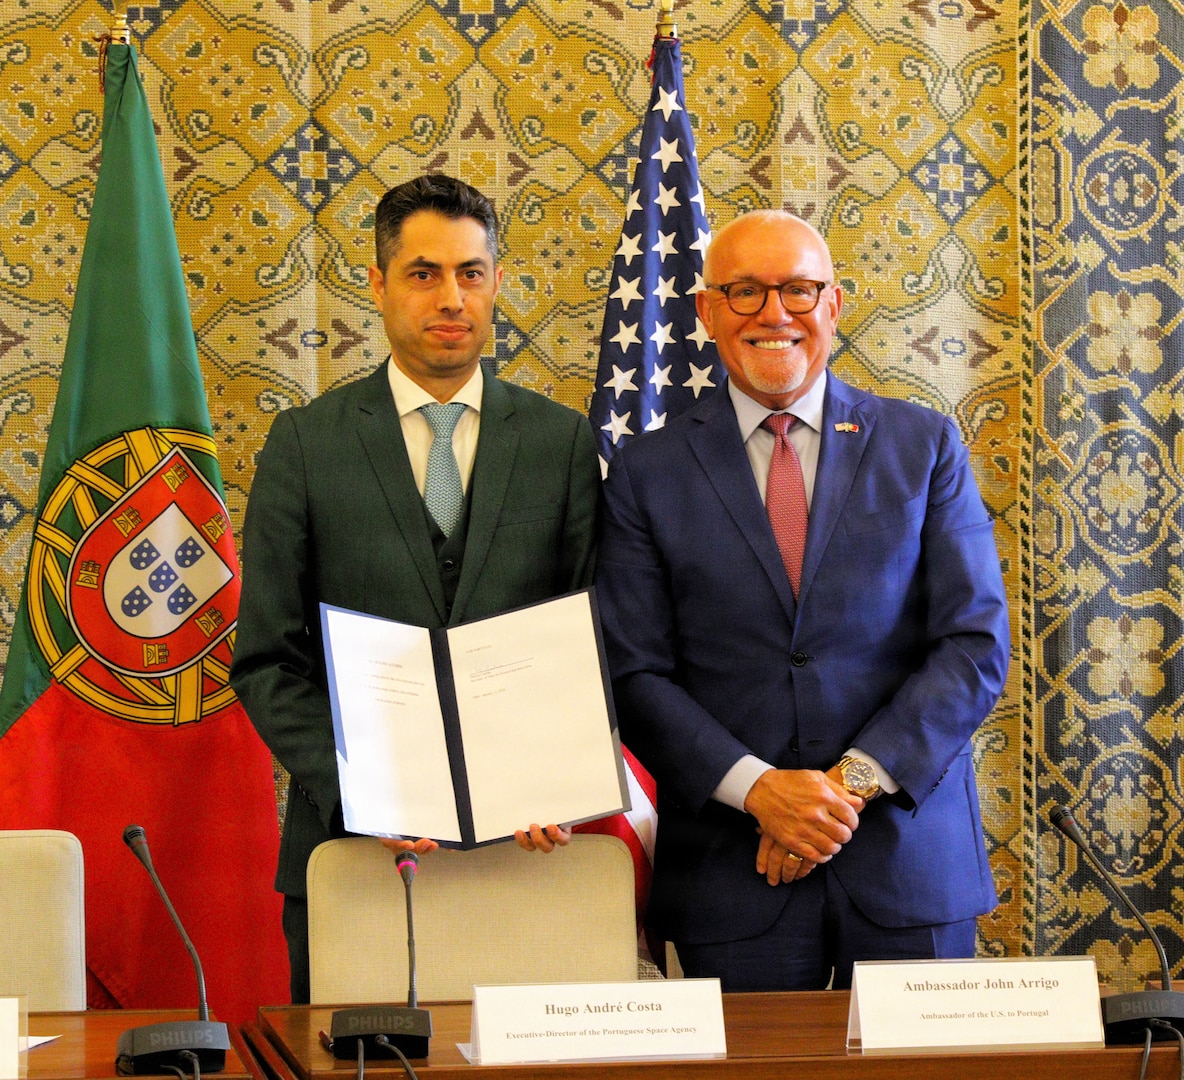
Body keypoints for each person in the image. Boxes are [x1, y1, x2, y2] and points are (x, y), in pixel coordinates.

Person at [595, 210, 1009, 991]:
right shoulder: (647, 472)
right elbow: (632, 671)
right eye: (745, 292)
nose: (773, 314)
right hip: (731, 874)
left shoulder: (923, 446)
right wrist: (758, 789)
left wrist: (838, 791)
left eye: (798, 290)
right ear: (708, 312)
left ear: (835, 305)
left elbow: (974, 645)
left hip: (906, 863)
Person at [230, 174, 600, 1002]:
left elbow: (592, 634)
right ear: (380, 284)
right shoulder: (306, 444)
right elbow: (265, 659)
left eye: (471, 273)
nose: (451, 297)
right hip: (354, 849)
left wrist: (558, 778)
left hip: (529, 852)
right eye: (424, 273)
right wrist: (361, 789)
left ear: (498, 283)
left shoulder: (561, 443)